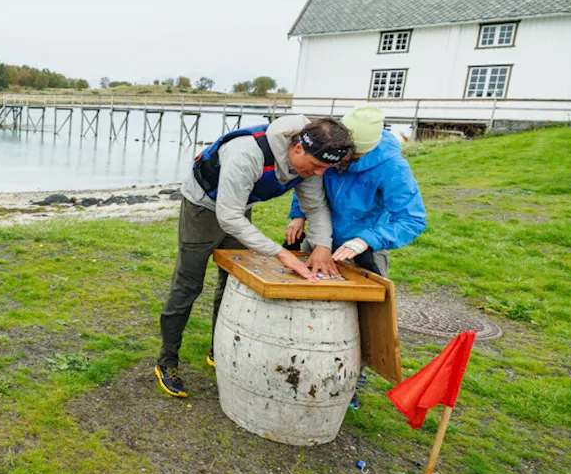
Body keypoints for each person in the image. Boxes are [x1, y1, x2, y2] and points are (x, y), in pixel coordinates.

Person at [155, 115, 354, 398]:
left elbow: (316, 207)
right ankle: (167, 360)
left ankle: (218, 348)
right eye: (318, 166)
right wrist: (281, 254)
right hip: (203, 207)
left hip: (237, 205)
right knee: (188, 285)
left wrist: (322, 244)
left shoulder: (308, 165)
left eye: (326, 168)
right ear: (298, 148)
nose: (320, 174)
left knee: (233, 282)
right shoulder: (246, 154)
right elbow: (229, 218)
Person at [285, 105, 426, 409]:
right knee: (305, 304)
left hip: (366, 247)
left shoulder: (392, 167)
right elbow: (312, 181)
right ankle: (298, 366)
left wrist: (367, 240)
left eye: (351, 157)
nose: (342, 163)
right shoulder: (334, 151)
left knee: (361, 319)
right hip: (321, 241)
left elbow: (413, 219)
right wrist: (297, 215)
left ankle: (350, 383)